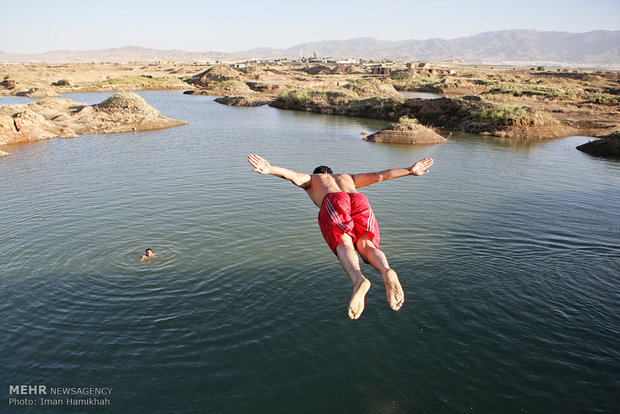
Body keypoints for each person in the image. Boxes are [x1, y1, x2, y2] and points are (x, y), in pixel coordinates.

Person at [247, 154, 434, 319]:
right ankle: (386, 271)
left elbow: (292, 176)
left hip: (334, 201)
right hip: (359, 199)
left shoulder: (312, 179)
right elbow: (379, 175)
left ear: (319, 173)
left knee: (343, 243)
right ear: (332, 172)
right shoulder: (347, 177)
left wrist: (270, 169)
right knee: (367, 245)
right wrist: (409, 170)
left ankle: (358, 280)